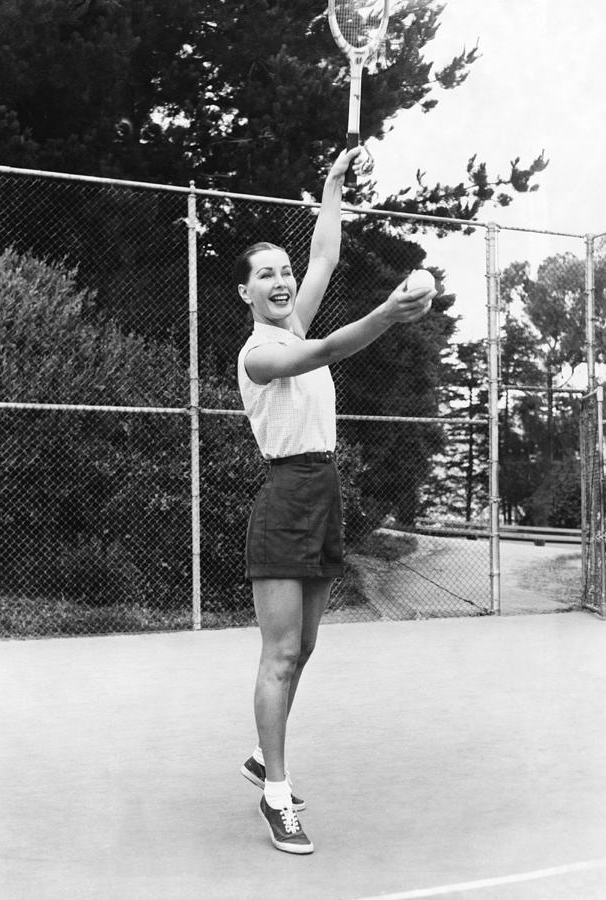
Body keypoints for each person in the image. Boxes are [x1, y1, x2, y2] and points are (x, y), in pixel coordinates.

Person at [235, 146, 436, 855]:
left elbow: (322, 255)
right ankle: (276, 794)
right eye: (266, 275)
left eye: (282, 272)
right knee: (280, 653)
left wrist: (328, 186)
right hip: (286, 497)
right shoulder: (261, 353)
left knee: (306, 647)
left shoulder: (292, 317)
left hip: (323, 494)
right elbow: (319, 356)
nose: (283, 280)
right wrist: (385, 314)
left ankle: (264, 755)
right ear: (246, 294)